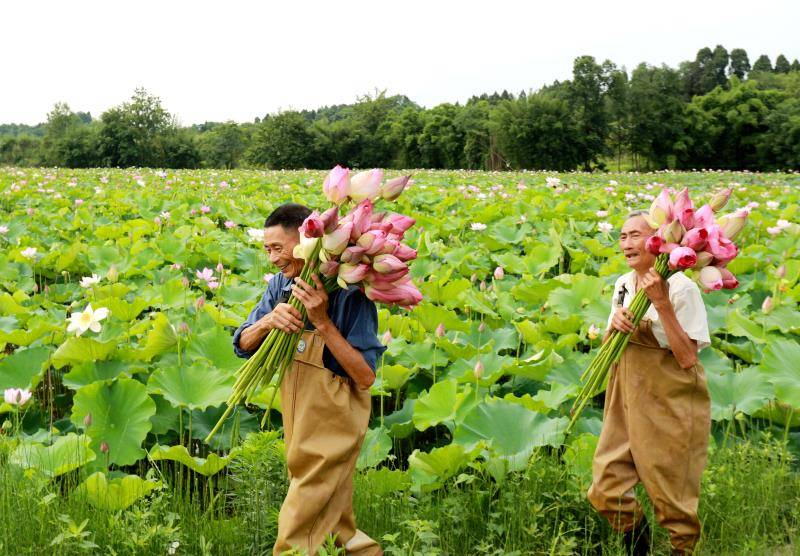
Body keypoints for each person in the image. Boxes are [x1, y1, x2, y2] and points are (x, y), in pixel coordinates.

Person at [232, 203, 386, 556]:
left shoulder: (350, 294)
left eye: (277, 248)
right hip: (299, 418)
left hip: (336, 420)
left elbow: (365, 376)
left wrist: (321, 322)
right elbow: (242, 343)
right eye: (266, 249)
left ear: (306, 241)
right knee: (333, 523)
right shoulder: (281, 286)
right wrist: (267, 321)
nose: (272, 259)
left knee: (300, 523)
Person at [587, 211, 712, 556]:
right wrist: (613, 325)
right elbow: (608, 347)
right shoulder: (624, 284)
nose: (627, 243)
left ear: (658, 242)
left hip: (667, 395)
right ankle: (639, 550)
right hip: (625, 394)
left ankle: (682, 549)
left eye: (636, 236)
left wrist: (661, 302)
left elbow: (688, 357)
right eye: (623, 236)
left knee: (672, 496)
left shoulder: (682, 287)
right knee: (605, 489)